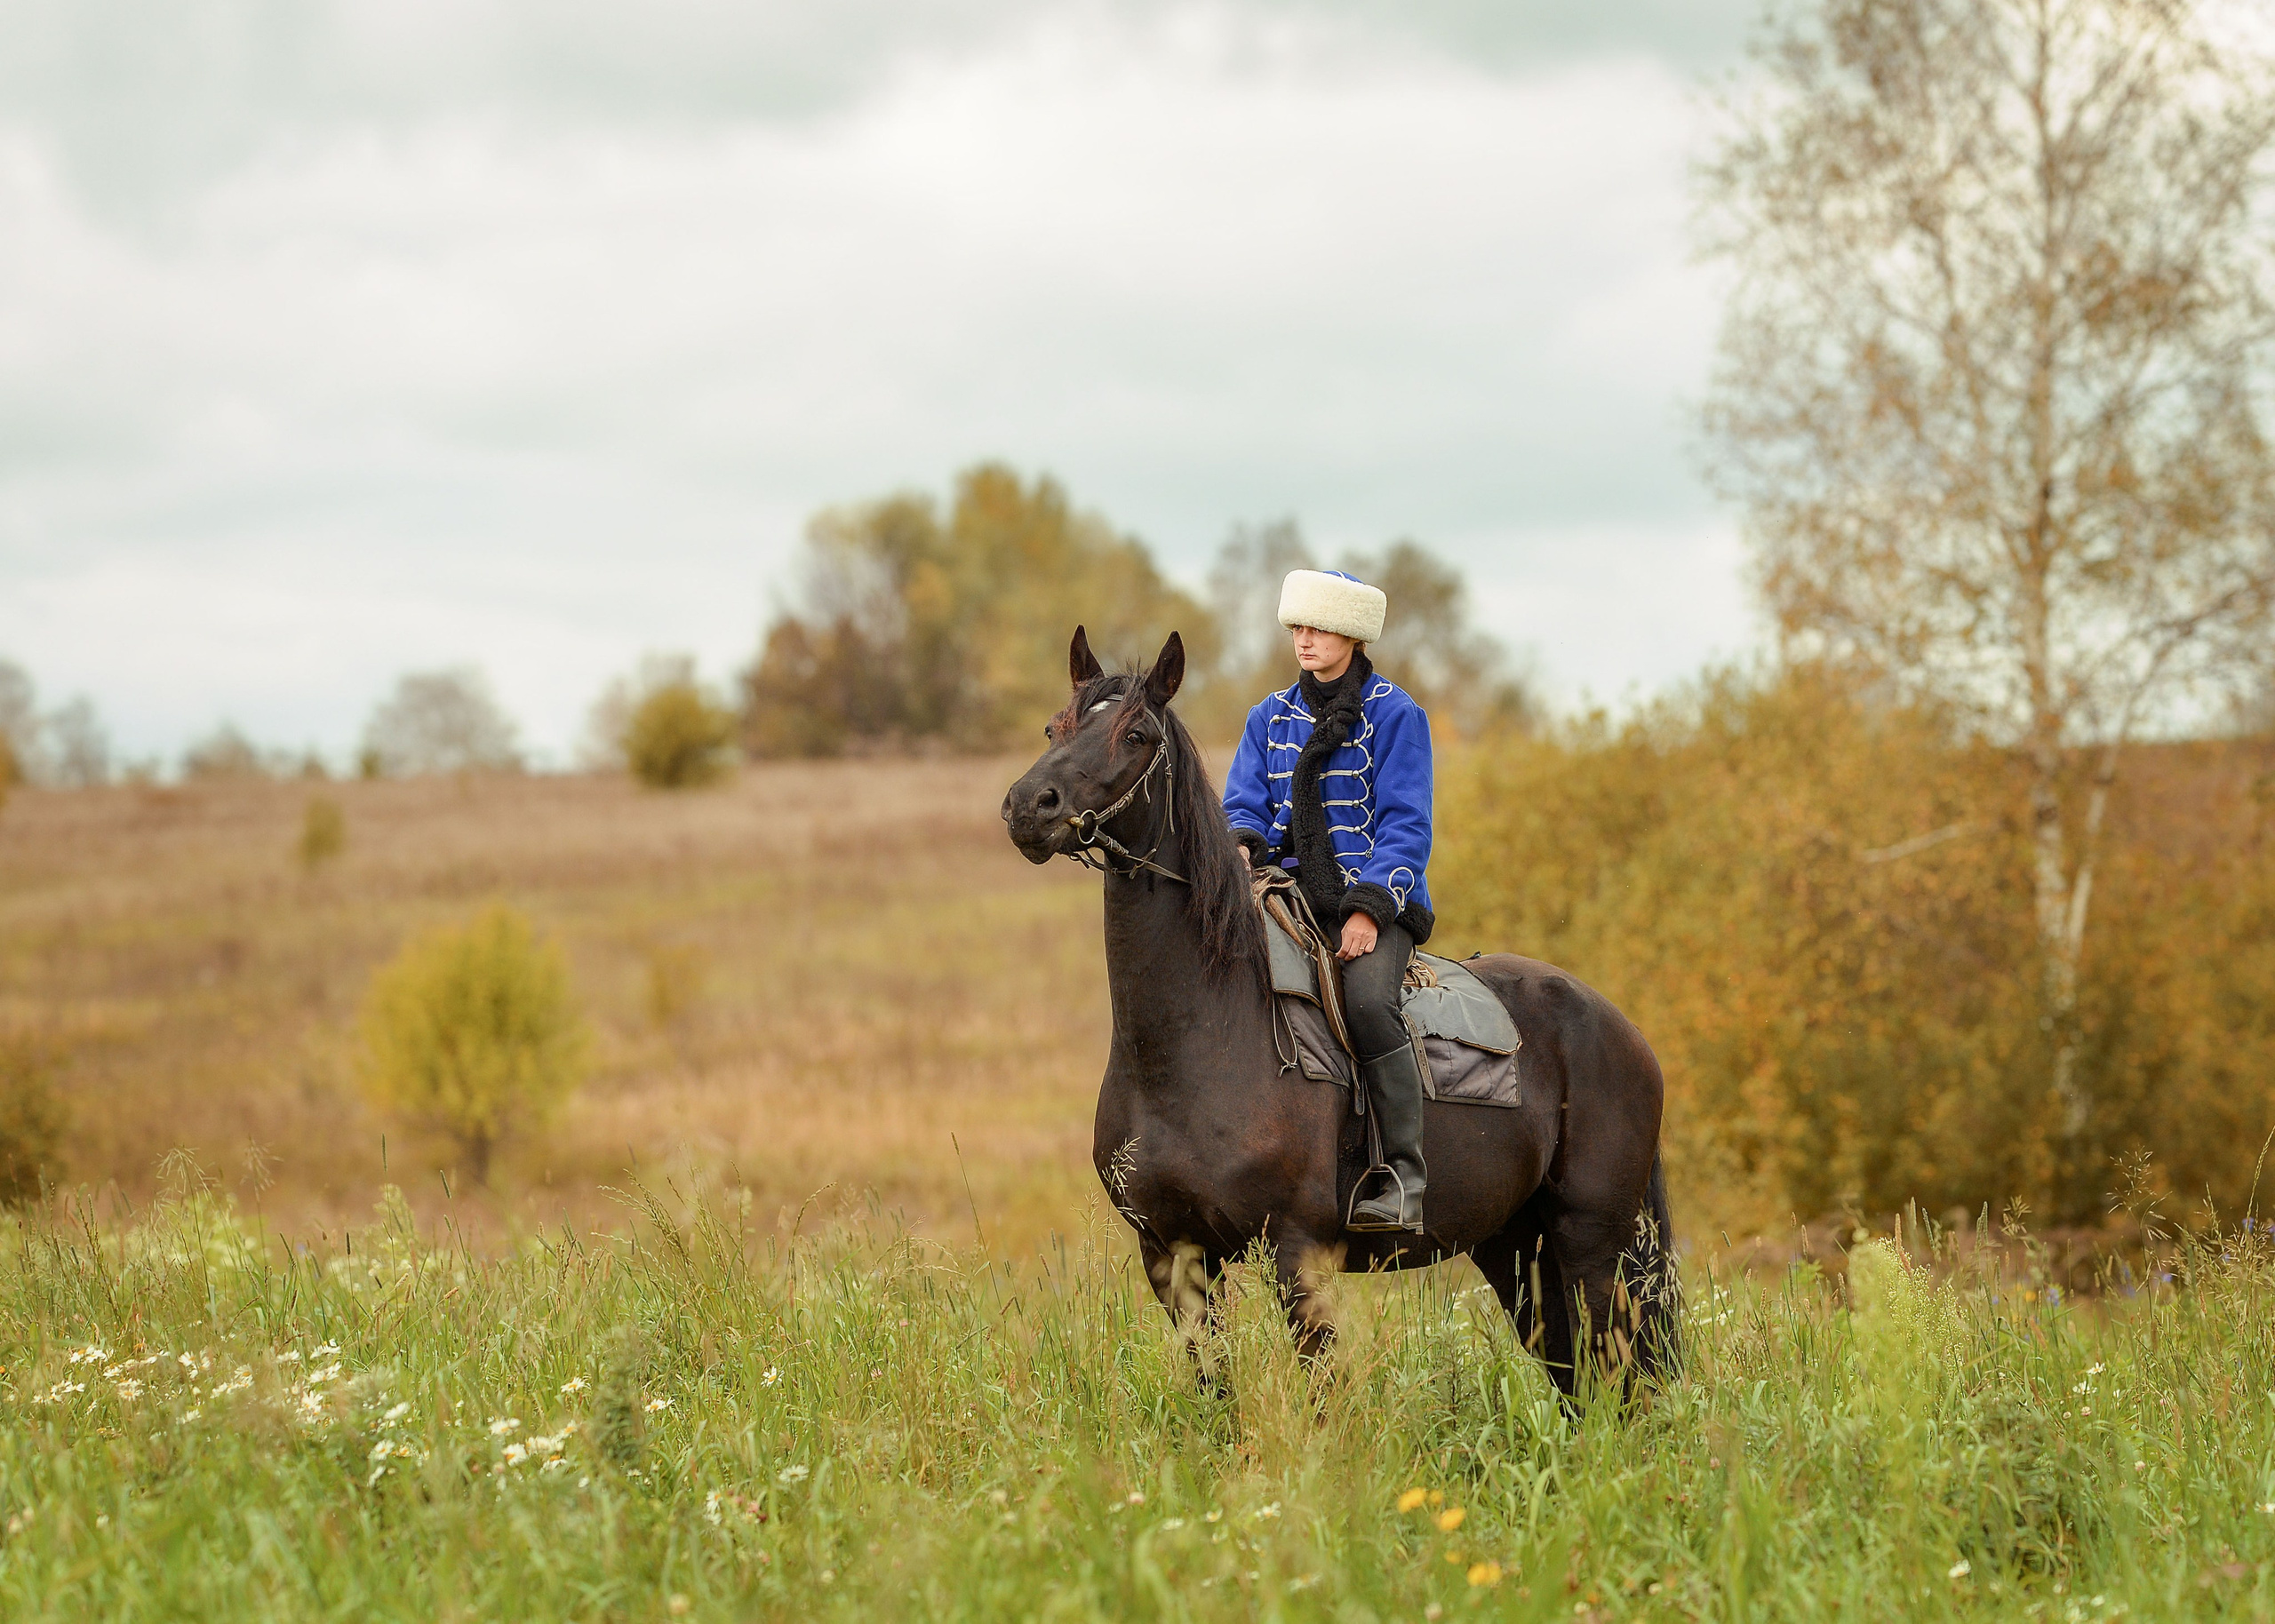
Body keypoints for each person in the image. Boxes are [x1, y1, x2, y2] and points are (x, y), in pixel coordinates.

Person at [1223, 569, 1434, 1233]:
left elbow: (1406, 826)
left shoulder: (1396, 715)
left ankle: (1402, 1178)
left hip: (1373, 900)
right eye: (1297, 627)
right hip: (1283, 896)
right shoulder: (1268, 717)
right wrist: (1240, 851)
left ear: (1351, 634)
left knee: (1368, 1004)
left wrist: (1368, 910)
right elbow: (1243, 807)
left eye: (1317, 628)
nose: (1303, 640)